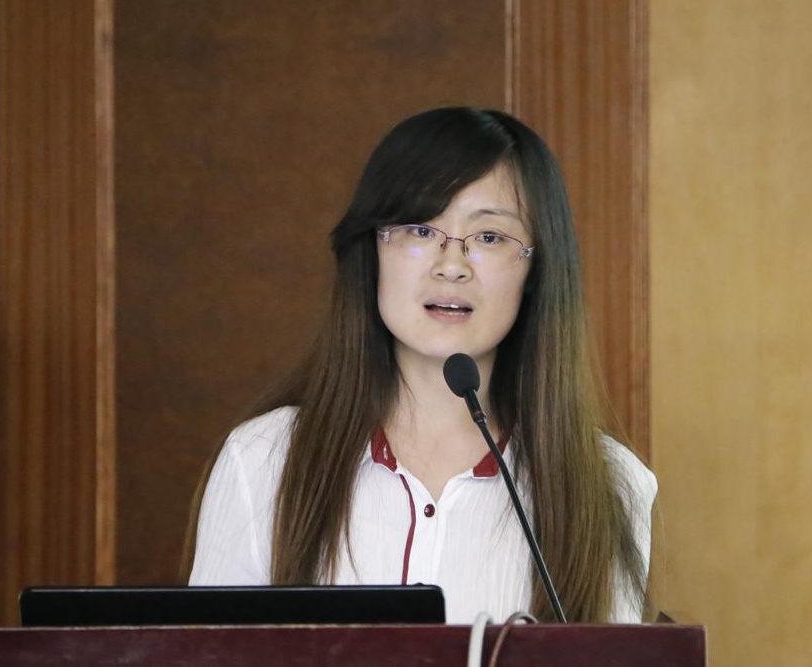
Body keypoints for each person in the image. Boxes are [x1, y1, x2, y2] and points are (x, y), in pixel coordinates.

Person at [186, 106, 657, 623]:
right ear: (373, 251)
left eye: (490, 237)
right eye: (419, 230)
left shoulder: (609, 484)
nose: (451, 266)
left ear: (537, 270)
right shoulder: (263, 461)